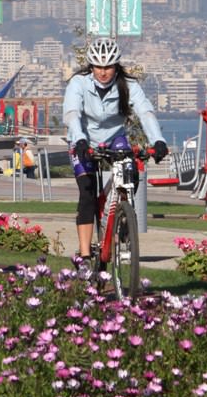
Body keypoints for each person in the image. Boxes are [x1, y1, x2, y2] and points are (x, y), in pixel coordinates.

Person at [63, 37, 168, 262]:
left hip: (114, 138)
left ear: (116, 66)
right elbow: (72, 113)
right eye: (98, 67)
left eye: (108, 67)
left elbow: (145, 112)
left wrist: (158, 141)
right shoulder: (78, 83)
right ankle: (84, 255)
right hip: (83, 139)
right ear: (91, 66)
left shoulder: (129, 85)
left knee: (130, 174)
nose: (103, 72)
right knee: (87, 193)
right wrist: (80, 139)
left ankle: (121, 214)